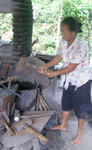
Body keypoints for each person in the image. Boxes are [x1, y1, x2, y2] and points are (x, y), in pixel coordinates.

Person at [38, 17, 92, 145]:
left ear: (73, 32)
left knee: (81, 108)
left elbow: (71, 67)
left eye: (64, 31)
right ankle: (63, 125)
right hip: (68, 79)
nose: (62, 34)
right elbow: (58, 57)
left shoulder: (80, 46)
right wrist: (45, 66)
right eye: (61, 31)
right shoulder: (64, 41)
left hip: (81, 81)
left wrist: (54, 73)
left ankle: (79, 133)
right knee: (66, 102)